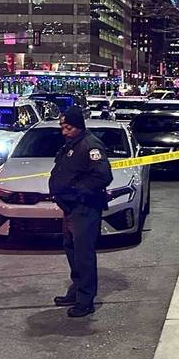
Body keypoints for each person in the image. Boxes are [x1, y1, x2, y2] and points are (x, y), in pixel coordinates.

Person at [48, 106, 113, 318]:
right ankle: (76, 291)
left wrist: (76, 192)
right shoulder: (71, 144)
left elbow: (102, 177)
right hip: (70, 208)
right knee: (72, 250)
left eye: (68, 127)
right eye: (62, 127)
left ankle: (86, 301)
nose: (64, 131)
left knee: (84, 255)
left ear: (79, 126)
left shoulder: (90, 145)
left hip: (85, 207)